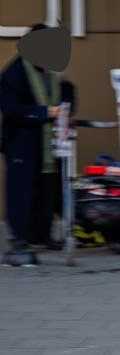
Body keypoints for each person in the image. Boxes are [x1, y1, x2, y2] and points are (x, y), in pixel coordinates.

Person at [2, 24, 76, 265]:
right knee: (20, 192)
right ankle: (19, 240)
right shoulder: (14, 74)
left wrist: (65, 108)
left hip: (48, 144)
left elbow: (67, 91)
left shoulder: (50, 72)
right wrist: (45, 112)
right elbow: (11, 109)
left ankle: (42, 235)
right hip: (22, 142)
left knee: (47, 189)